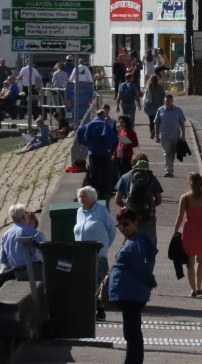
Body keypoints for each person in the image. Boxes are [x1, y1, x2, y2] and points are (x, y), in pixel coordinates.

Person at [110, 207, 157, 364]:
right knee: (134, 332)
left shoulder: (134, 243)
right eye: (119, 225)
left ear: (135, 223)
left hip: (132, 294)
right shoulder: (134, 241)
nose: (122, 227)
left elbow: (141, 267)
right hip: (131, 293)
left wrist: (151, 281)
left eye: (126, 224)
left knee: (131, 333)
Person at [74, 186, 116, 321]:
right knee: (84, 282)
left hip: (98, 253)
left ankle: (101, 310)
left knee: (99, 282)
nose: (81, 199)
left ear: (91, 197)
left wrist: (104, 246)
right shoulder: (79, 211)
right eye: (80, 196)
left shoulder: (101, 210)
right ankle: (87, 309)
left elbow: (111, 230)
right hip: (82, 253)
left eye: (83, 196)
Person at [173, 172, 202, 297]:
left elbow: (180, 217)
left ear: (189, 184)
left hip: (189, 232)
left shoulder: (185, 198)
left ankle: (192, 289)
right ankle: (199, 287)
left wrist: (175, 232)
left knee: (190, 262)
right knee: (200, 260)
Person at [0, 203, 44, 295]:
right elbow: (43, 248)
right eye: (26, 213)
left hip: (18, 273)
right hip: (34, 269)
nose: (27, 215)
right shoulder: (30, 231)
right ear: (23, 217)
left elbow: (3, 259)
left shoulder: (5, 235)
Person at [114, 154, 164, 247]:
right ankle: (149, 260)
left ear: (133, 163)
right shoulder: (151, 177)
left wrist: (126, 207)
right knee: (150, 244)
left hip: (131, 216)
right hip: (148, 215)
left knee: (130, 242)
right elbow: (159, 200)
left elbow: (117, 199)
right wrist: (150, 205)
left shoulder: (125, 177)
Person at [79, 110, 118, 200]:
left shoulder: (90, 124)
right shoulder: (103, 125)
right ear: (103, 115)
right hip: (102, 152)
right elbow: (110, 137)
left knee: (93, 172)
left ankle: (93, 190)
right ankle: (104, 192)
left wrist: (85, 143)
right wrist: (109, 145)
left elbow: (80, 132)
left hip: (92, 152)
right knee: (104, 172)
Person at [153, 94, 186, 177]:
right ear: (164, 101)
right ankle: (168, 171)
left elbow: (182, 123)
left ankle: (170, 170)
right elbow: (156, 124)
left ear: (172, 101)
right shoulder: (160, 110)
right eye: (166, 101)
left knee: (172, 153)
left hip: (175, 136)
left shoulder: (178, 110)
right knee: (167, 153)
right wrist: (156, 136)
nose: (167, 102)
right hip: (164, 136)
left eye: (169, 101)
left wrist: (183, 135)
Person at [142, 74, 164, 140]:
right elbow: (163, 97)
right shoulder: (160, 88)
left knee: (151, 121)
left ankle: (152, 131)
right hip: (159, 107)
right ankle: (158, 133)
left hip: (150, 107)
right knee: (158, 122)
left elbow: (145, 99)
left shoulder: (148, 87)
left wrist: (145, 107)